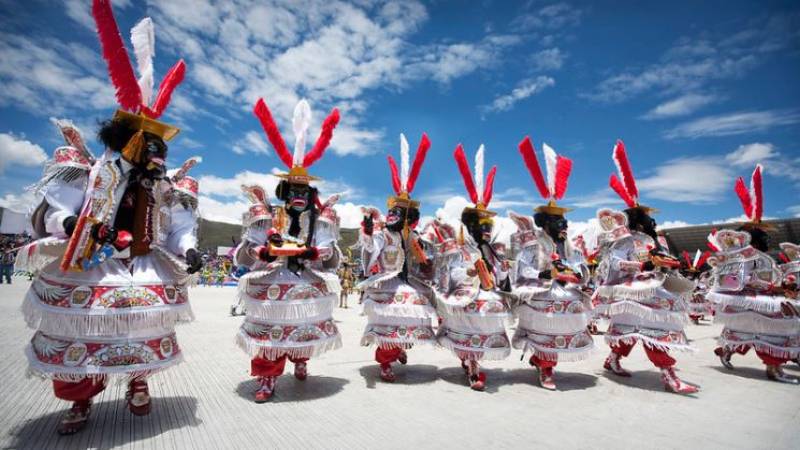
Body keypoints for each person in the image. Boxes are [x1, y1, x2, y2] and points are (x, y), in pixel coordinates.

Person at [17, 2, 202, 435]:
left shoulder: (164, 187)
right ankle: (80, 400)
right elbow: (53, 206)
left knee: (141, 324)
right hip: (91, 260)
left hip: (141, 261)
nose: (159, 156)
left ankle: (138, 382)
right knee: (81, 333)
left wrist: (189, 249)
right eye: (151, 147)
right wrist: (68, 225)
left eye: (162, 149)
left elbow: (176, 227)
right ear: (129, 141)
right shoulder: (91, 169)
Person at [234, 98, 342, 402]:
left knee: (302, 326)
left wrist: (314, 255)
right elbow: (247, 250)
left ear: (310, 195)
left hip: (305, 280)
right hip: (272, 280)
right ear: (284, 192)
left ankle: (300, 359)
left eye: (303, 191)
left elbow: (330, 253)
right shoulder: (267, 215)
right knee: (269, 332)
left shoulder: (320, 222)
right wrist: (262, 254)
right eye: (292, 190)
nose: (298, 195)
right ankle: (267, 377)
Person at [593, 140, 698, 394]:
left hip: (654, 287)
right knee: (653, 331)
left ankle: (613, 359)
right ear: (638, 220)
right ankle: (668, 375)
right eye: (648, 218)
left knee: (638, 332)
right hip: (634, 291)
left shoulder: (654, 239)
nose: (652, 221)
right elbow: (615, 264)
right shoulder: (624, 240)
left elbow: (661, 262)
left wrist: (669, 265)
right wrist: (643, 263)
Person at [509, 137, 594, 390]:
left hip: (566, 291)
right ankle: (546, 368)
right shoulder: (533, 245)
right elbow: (522, 271)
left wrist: (579, 276)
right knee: (548, 320)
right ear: (545, 224)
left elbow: (581, 266)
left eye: (565, 222)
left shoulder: (570, 247)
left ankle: (543, 361)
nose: (564, 226)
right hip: (543, 292)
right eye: (559, 222)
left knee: (569, 313)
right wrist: (547, 272)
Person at [432, 143, 513, 391]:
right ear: (473, 227)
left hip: (487, 294)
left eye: (489, 226)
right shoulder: (460, 247)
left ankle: (472, 362)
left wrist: (505, 269)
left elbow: (499, 276)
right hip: (466, 294)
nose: (487, 231)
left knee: (489, 314)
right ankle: (473, 366)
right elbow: (450, 272)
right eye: (483, 226)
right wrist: (469, 273)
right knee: (472, 320)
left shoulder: (492, 248)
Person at [709, 165, 799, 384]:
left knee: (771, 322)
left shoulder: (757, 255)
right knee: (778, 323)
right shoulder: (744, 256)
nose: (768, 239)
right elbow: (742, 280)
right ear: (755, 237)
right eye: (764, 235)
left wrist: (782, 283)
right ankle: (773, 367)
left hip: (754, 297)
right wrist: (772, 288)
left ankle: (727, 350)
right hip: (746, 298)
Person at [358, 133, 437, 383]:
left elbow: (426, 257)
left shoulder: (414, 236)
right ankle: (385, 361)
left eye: (399, 212)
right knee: (391, 318)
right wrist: (368, 234)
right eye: (392, 211)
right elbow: (371, 249)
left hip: (410, 281)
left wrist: (428, 261)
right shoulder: (384, 235)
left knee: (413, 315)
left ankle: (400, 347)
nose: (392, 215)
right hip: (388, 282)